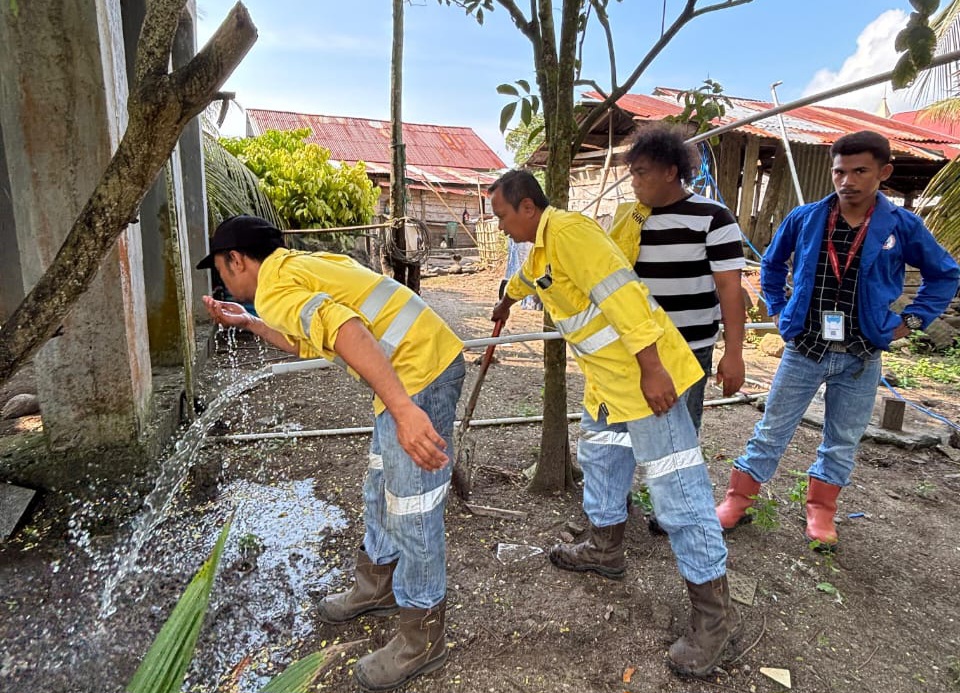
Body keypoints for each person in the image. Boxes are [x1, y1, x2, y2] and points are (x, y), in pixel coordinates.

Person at [196, 215, 465, 692]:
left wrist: (404, 410)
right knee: (381, 487)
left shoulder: (277, 286)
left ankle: (423, 636)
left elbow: (346, 331)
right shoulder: (297, 267)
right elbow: (309, 338)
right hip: (411, 366)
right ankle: (377, 583)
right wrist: (252, 322)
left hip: (419, 373)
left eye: (221, 268)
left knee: (413, 508)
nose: (223, 280)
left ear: (236, 259)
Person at [489, 170, 739, 678]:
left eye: (500, 215)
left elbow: (624, 298)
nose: (498, 226)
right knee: (600, 457)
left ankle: (715, 617)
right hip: (608, 384)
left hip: (646, 379)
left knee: (678, 492)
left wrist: (652, 368)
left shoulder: (572, 234)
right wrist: (507, 299)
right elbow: (531, 279)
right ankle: (605, 549)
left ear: (527, 207)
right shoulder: (539, 247)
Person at [716, 131, 960, 549]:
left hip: (861, 356)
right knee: (772, 428)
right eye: (840, 172)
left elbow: (945, 274)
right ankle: (737, 499)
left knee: (843, 437)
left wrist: (911, 322)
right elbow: (772, 266)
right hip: (805, 350)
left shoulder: (902, 226)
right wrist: (777, 309)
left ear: (883, 173)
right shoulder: (806, 218)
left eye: (860, 171)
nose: (848, 180)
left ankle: (821, 512)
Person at [611, 124, 746, 433]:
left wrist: (734, 353)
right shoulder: (630, 219)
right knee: (626, 435)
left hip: (689, 349)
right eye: (632, 173)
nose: (634, 183)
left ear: (670, 172)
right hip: (637, 347)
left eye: (641, 173)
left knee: (679, 439)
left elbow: (729, 289)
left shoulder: (713, 217)